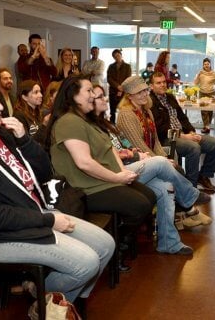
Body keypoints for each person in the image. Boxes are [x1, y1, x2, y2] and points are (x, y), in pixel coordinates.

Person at [0, 76, 114, 303]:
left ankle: (56, 301)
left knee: (106, 245)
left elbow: (45, 172)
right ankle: (50, 303)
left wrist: (24, 139)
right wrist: (48, 220)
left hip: (31, 217)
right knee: (87, 263)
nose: (0, 106)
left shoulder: (2, 134)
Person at [45, 75, 155, 270]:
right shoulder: (69, 121)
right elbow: (84, 163)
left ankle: (118, 242)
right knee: (139, 204)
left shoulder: (84, 120)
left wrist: (120, 173)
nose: (93, 96)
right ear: (73, 96)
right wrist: (117, 177)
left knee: (149, 195)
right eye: (88, 91)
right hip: (85, 187)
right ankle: (115, 248)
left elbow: (107, 149)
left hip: (101, 182)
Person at [95, 84, 211, 253]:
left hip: (131, 163)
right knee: (165, 164)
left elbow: (134, 144)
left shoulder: (107, 122)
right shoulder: (113, 120)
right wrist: (140, 156)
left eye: (145, 91)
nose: (144, 94)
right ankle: (189, 199)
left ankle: (169, 243)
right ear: (129, 96)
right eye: (98, 96)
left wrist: (140, 154)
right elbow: (122, 150)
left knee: (167, 187)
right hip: (119, 173)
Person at [149, 72, 215, 192]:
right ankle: (190, 188)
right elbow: (160, 129)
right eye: (158, 83)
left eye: (164, 82)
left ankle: (203, 176)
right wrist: (184, 136)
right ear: (151, 86)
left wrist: (192, 132)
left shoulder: (170, 97)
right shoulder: (150, 102)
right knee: (193, 148)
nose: (162, 85)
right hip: (167, 139)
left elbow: (182, 117)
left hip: (184, 134)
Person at [193, 58, 215, 134]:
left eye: (207, 64)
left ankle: (208, 126)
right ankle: (206, 126)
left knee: (210, 110)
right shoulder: (201, 73)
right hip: (202, 93)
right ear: (203, 65)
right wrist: (198, 75)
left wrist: (214, 82)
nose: (206, 65)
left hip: (211, 93)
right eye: (205, 64)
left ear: (210, 64)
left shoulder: (213, 73)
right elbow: (195, 82)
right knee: (204, 110)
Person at [106, 49, 131, 122]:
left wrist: (121, 88)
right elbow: (109, 78)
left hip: (124, 91)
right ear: (113, 57)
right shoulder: (111, 66)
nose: (117, 57)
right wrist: (117, 86)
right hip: (113, 91)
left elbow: (128, 78)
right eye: (115, 56)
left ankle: (123, 125)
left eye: (118, 55)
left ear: (121, 55)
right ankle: (112, 126)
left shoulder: (127, 66)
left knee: (123, 110)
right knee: (112, 111)